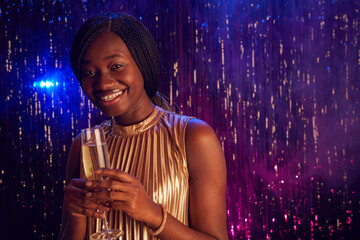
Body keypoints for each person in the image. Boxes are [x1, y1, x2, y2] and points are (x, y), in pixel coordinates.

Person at [59, 13, 228, 240]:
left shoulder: (193, 137)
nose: (103, 83)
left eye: (116, 66)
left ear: (143, 62)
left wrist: (152, 214)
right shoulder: (83, 146)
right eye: (90, 72)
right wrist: (77, 216)